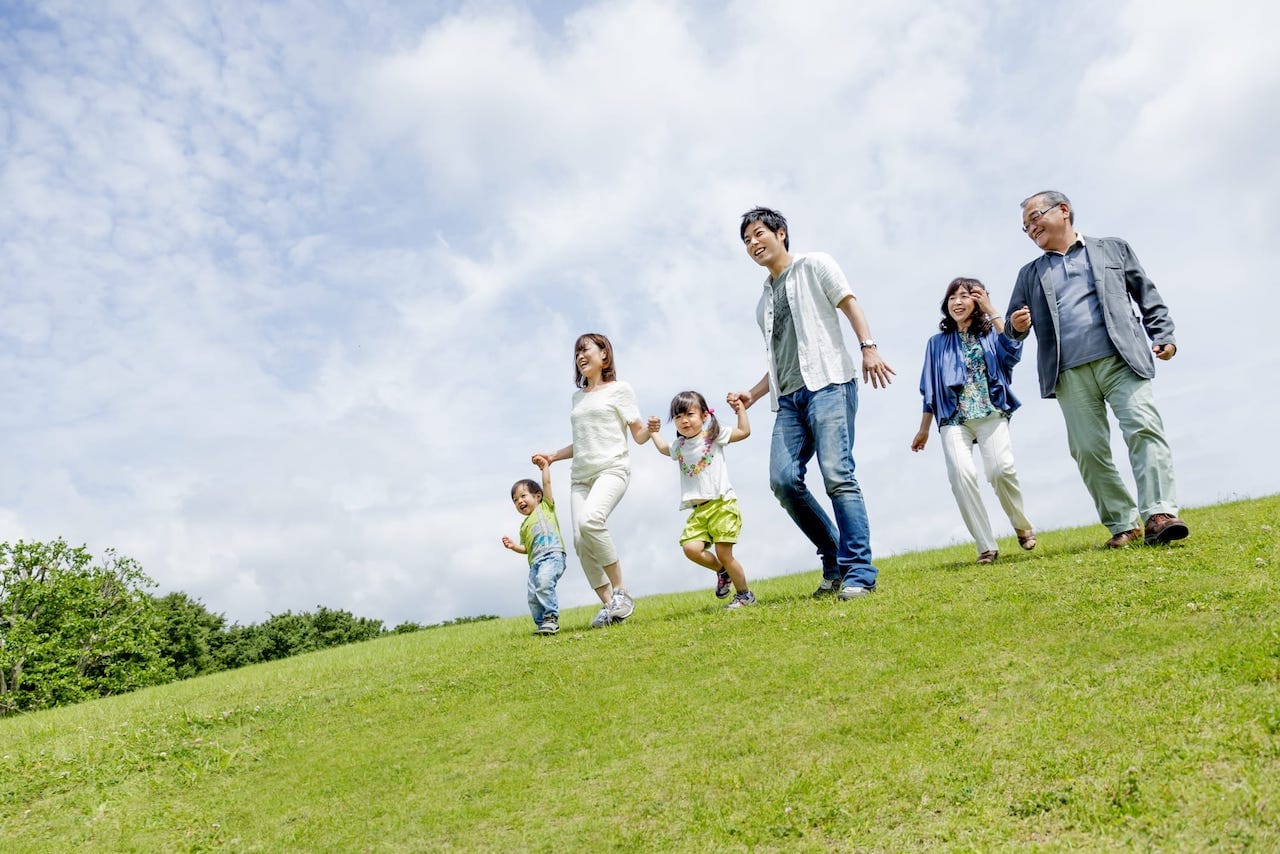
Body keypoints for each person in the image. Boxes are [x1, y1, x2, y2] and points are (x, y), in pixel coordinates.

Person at [728, 206, 895, 600]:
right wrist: (753, 394)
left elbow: (848, 302)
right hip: (789, 399)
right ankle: (834, 556)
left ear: (780, 232)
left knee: (838, 474)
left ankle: (859, 571)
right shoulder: (762, 303)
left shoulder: (814, 264)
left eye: (758, 234)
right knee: (783, 481)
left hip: (830, 385)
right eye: (746, 240)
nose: (753, 243)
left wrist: (868, 347)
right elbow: (781, 359)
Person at [1006, 190, 1188, 548]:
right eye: (1025, 227)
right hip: (1068, 373)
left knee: (1143, 429)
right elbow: (1013, 329)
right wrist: (1016, 325)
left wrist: (1163, 333)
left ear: (1063, 211)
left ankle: (1159, 514)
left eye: (1034, 219)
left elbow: (1146, 295)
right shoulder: (1029, 274)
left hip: (1122, 360)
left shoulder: (1112, 249)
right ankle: (1123, 523)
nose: (1031, 229)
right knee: (1088, 450)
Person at [911, 277, 1035, 564]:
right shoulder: (937, 343)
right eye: (952, 297)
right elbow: (929, 389)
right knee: (961, 476)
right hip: (953, 419)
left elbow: (1012, 349)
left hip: (990, 412)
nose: (957, 302)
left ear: (977, 300)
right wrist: (924, 429)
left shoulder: (991, 333)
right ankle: (986, 546)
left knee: (1000, 470)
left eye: (965, 296)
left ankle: (1020, 523)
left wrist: (993, 310)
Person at [534, 333, 654, 628]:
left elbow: (637, 435)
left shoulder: (620, 390)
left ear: (604, 355)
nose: (580, 356)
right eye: (576, 353)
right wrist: (553, 456)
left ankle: (621, 592)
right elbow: (582, 442)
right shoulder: (578, 398)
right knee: (579, 540)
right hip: (581, 478)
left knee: (591, 522)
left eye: (585, 350)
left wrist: (650, 430)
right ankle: (610, 606)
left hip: (612, 469)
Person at [646, 391, 756, 609]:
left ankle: (744, 595)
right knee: (691, 548)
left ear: (704, 416)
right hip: (699, 511)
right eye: (678, 417)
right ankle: (721, 571)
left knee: (724, 553)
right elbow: (663, 448)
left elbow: (744, 431)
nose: (684, 420)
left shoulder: (713, 436)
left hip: (722, 504)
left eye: (690, 414)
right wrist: (653, 432)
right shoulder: (679, 446)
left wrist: (740, 410)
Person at [502, 457, 567, 635]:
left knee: (545, 583)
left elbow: (546, 482)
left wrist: (545, 467)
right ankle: (542, 625)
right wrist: (514, 546)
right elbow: (527, 548)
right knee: (532, 595)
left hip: (552, 556)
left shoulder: (545, 507)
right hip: (535, 562)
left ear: (537, 496)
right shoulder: (524, 527)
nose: (519, 501)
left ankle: (551, 619)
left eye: (523, 496)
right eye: (515, 500)